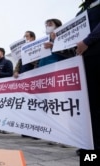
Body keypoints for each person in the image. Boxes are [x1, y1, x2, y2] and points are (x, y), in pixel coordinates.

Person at [75, 0, 100, 155]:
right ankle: (92, 144)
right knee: (91, 103)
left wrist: (87, 41)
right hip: (85, 60)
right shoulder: (81, 12)